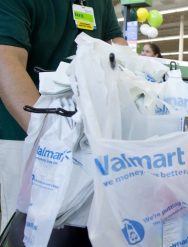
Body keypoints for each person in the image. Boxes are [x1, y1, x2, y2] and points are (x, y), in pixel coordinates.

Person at [0, 0, 126, 245]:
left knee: (77, 233)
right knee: (27, 230)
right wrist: (50, 140)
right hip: (25, 137)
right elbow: (6, 62)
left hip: (90, 140)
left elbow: (117, 51)